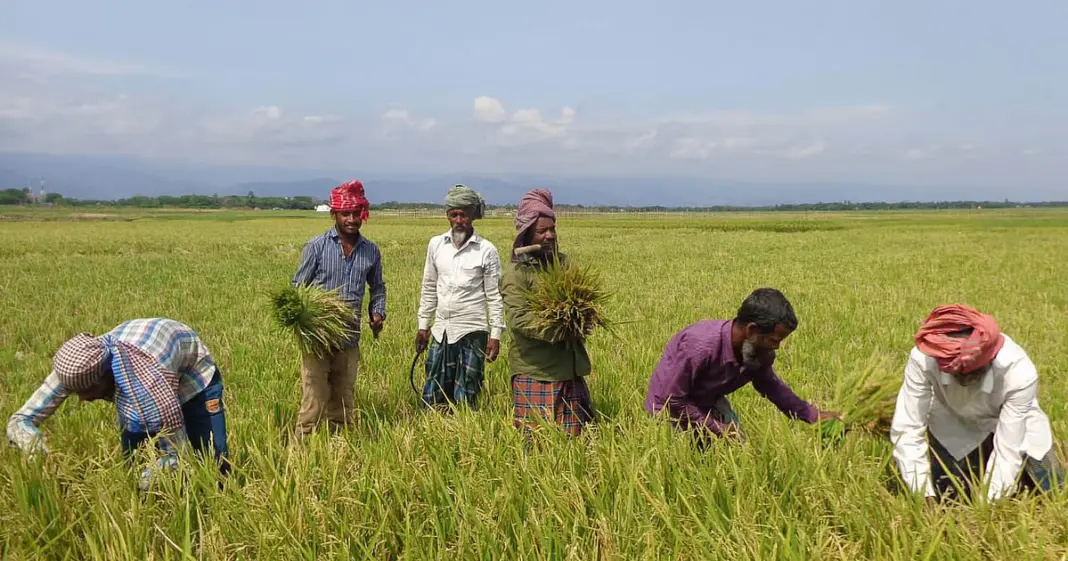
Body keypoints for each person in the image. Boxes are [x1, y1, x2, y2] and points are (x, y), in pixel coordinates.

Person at [5, 318, 230, 490]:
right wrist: (37, 450)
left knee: (212, 453)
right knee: (133, 459)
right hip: (148, 353)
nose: (82, 399)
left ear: (106, 377)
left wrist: (146, 482)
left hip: (192, 376)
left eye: (86, 392)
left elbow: (175, 455)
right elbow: (21, 419)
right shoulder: (76, 366)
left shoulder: (147, 392)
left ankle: (220, 495)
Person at [890, 304, 1065, 504]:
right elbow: (908, 427)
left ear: (990, 358)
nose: (965, 379)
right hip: (953, 420)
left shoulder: (1018, 373)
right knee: (950, 496)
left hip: (1013, 424)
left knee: (1050, 491)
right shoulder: (924, 358)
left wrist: (988, 506)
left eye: (972, 371)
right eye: (957, 373)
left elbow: (1008, 451)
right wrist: (922, 493)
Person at [643, 288, 841, 445]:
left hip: (708, 399)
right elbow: (673, 400)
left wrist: (813, 415)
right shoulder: (700, 346)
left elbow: (772, 387)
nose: (777, 347)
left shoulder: (757, 352)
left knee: (739, 449)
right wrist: (716, 428)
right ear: (752, 330)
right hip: (669, 409)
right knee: (687, 458)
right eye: (774, 340)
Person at [291, 179, 387, 435]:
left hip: (349, 337)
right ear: (334, 214)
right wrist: (306, 318)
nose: (352, 219)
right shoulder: (317, 246)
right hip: (318, 339)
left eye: (356, 213)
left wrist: (377, 312)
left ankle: (339, 447)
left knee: (343, 399)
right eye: (346, 214)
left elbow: (378, 288)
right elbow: (298, 288)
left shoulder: (371, 251)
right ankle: (301, 449)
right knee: (314, 398)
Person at [500, 188, 594, 437]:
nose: (550, 235)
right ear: (526, 233)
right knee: (537, 442)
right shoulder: (517, 274)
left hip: (569, 369)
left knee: (575, 440)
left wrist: (584, 318)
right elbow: (519, 320)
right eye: (542, 231)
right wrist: (560, 328)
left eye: (552, 229)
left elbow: (581, 301)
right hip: (536, 371)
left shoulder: (564, 264)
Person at [415, 184, 505, 410]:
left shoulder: (486, 250)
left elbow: (494, 296)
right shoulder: (436, 245)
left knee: (466, 394)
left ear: (473, 215)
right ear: (447, 215)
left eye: (463, 214)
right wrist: (423, 326)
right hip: (441, 329)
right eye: (453, 214)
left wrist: (495, 334)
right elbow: (429, 287)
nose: (458, 220)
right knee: (433, 391)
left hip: (472, 330)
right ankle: (435, 425)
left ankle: (465, 427)